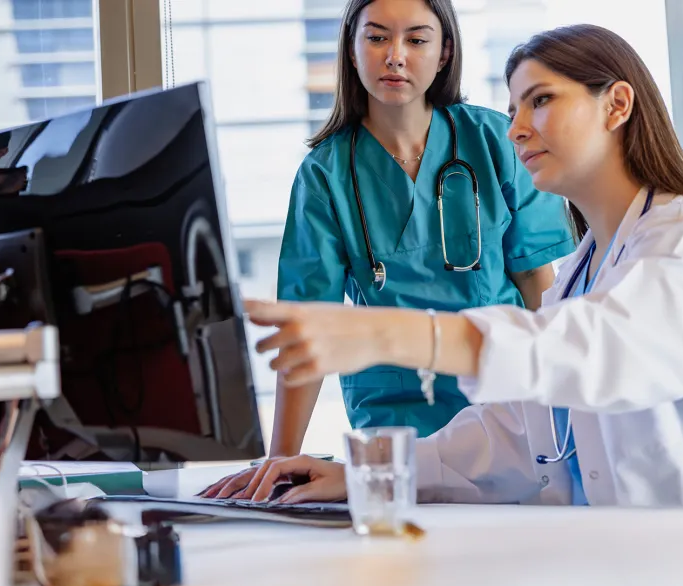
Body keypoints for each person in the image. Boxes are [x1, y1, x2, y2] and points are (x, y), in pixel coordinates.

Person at [229, 24, 683, 507]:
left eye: (541, 100)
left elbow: (598, 348)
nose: (517, 127)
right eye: (513, 109)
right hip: (632, 563)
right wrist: (360, 470)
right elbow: (515, 431)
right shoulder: (582, 272)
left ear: (617, 105)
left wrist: (387, 332)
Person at [203, 0, 575, 498]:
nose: (395, 56)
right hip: (392, 422)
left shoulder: (494, 141)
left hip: (502, 410)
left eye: (416, 40)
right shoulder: (325, 174)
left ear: (444, 53)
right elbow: (310, 324)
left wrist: (568, 409)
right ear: (352, 51)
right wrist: (277, 462)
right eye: (377, 37)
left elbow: (540, 289)